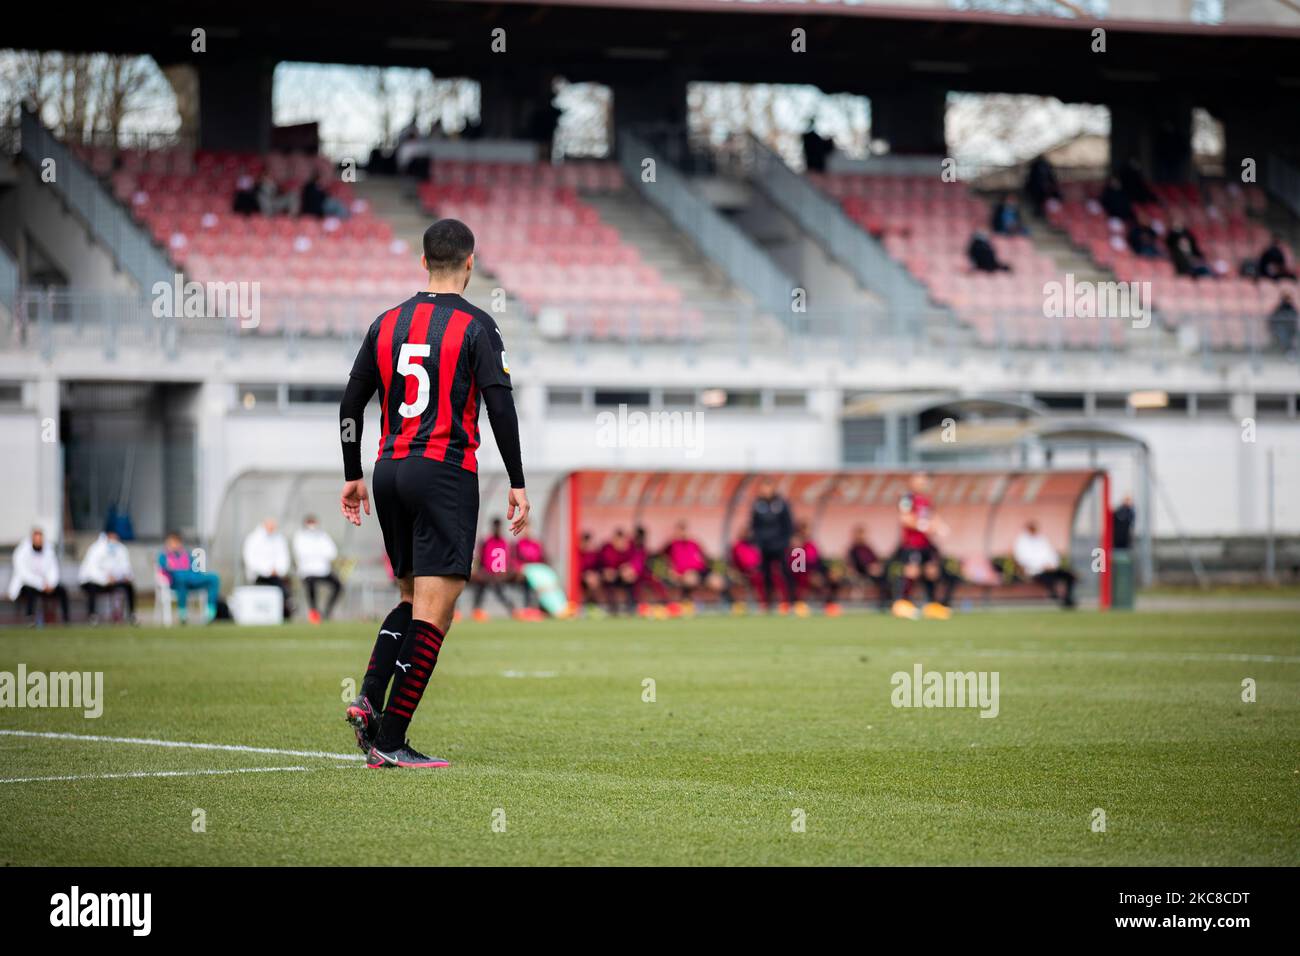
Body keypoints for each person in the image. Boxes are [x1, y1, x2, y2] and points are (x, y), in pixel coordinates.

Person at [339, 217, 528, 770]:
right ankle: (390, 740)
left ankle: (369, 699)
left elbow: (351, 406)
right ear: (471, 263)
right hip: (443, 472)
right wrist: (517, 481)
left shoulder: (386, 322)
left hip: (389, 470)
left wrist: (352, 473)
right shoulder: (478, 326)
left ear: (423, 262)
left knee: (409, 597)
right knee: (436, 612)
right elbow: (501, 408)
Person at [892, 472, 951, 619]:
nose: (922, 483)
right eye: (919, 480)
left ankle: (932, 605)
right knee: (912, 571)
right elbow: (904, 518)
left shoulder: (926, 500)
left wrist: (941, 526)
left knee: (932, 571)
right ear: (912, 482)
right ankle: (902, 604)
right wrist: (922, 524)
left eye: (924, 481)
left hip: (926, 543)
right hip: (912, 543)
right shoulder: (907, 498)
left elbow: (933, 517)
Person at [750, 479, 798, 612]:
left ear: (773, 488)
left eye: (767, 487)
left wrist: (786, 541)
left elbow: (788, 524)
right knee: (765, 575)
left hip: (780, 544)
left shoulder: (781, 504)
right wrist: (758, 541)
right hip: (764, 545)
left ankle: (790, 602)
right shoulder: (758, 504)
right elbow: (754, 525)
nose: (765, 491)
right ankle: (767, 603)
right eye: (763, 488)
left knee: (786, 572)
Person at [8, 527, 69, 625]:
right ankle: (30, 618)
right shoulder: (22, 552)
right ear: (32, 539)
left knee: (62, 590)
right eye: (36, 539)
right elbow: (23, 574)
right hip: (27, 585)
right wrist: (40, 584)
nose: (39, 541)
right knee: (31, 591)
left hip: (46, 585)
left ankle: (66, 619)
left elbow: (53, 570)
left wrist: (51, 584)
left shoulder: (49, 550)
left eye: (40, 539)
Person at [157, 532, 221, 624]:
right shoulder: (163, 556)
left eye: (176, 542)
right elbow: (164, 570)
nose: (174, 545)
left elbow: (196, 570)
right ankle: (183, 614)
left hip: (192, 581)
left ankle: (210, 611)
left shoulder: (187, 555)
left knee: (213, 578)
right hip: (176, 583)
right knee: (181, 578)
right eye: (172, 543)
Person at [1013, 520, 1076, 608]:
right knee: (1050, 580)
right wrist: (1042, 566)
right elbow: (1023, 559)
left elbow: (1051, 554)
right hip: (1036, 571)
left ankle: (1068, 597)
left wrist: (1052, 564)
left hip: (1051, 569)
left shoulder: (1042, 539)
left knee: (1069, 576)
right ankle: (1061, 598)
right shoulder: (1022, 542)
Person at [79, 529, 136, 624]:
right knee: (92, 589)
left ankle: (132, 615)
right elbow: (92, 569)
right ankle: (92, 616)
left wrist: (126, 576)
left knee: (129, 586)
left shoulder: (120, 549)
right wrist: (105, 578)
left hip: (112, 581)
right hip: (93, 580)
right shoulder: (96, 548)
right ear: (108, 536)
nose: (115, 540)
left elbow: (125, 566)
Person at [293, 515, 341, 623]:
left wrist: (319, 556)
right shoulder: (300, 537)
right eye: (310, 523)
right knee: (311, 585)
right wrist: (318, 554)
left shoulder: (323, 536)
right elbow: (301, 553)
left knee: (338, 585)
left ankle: (327, 611)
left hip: (323, 570)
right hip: (308, 571)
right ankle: (314, 612)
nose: (312, 526)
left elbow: (332, 552)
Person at [243, 517, 293, 620]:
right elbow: (250, 560)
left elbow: (283, 557)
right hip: (259, 575)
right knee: (281, 588)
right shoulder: (253, 538)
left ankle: (285, 611)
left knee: (284, 587)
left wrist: (278, 570)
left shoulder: (279, 538)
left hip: (276, 574)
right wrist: (268, 570)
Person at [470, 518, 515, 620]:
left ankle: (512, 609)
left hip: (500, 575)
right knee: (481, 585)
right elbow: (480, 559)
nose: (497, 529)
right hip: (487, 574)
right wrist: (477, 571)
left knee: (498, 588)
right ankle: (476, 610)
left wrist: (505, 572)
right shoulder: (486, 542)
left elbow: (508, 560)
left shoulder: (505, 542)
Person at [847, 525, 889, 611]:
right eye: (859, 534)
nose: (861, 536)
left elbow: (875, 559)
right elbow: (856, 564)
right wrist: (869, 569)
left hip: (874, 572)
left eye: (862, 534)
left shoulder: (867, 548)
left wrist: (877, 567)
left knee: (885, 578)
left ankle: (885, 602)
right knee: (879, 578)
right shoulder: (853, 549)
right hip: (862, 573)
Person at [598, 528, 640, 615]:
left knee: (629, 577)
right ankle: (609, 607)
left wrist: (630, 569)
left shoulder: (632, 550)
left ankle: (631, 607)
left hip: (626, 579)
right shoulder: (607, 549)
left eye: (622, 541)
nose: (620, 544)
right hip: (609, 578)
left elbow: (636, 564)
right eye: (617, 541)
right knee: (608, 579)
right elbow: (601, 565)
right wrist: (606, 572)